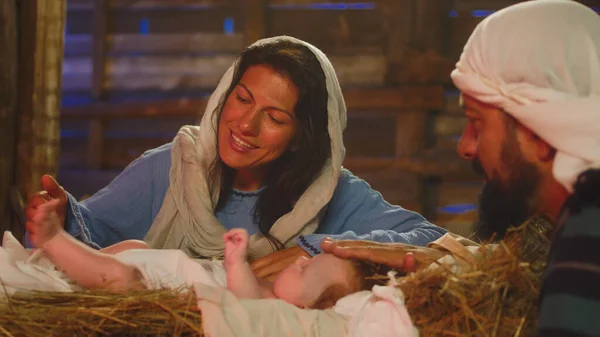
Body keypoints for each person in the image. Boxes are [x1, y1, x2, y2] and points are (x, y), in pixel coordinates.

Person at [25, 36, 445, 269]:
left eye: (275, 118)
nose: (245, 125)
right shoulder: (173, 169)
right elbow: (93, 239)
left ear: (302, 138)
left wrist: (315, 247)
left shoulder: (332, 195)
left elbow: (437, 241)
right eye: (242, 99)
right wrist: (61, 218)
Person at [323, 1, 600, 335]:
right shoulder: (570, 225)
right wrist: (457, 261)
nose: (465, 146)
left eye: (476, 123)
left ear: (539, 127)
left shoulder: (588, 229)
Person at [28, 198, 380, 309]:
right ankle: (65, 264)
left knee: (122, 278)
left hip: (154, 287)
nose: (301, 259)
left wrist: (236, 262)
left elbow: (242, 294)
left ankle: (54, 242)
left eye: (306, 270)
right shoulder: (276, 290)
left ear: (304, 308)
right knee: (137, 249)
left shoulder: (271, 308)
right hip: (166, 267)